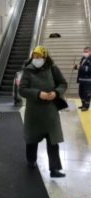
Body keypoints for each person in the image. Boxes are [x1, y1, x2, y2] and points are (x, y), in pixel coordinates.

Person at [19, 45, 68, 178]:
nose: (37, 59)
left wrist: (56, 92)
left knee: (53, 141)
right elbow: (22, 90)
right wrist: (38, 94)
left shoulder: (53, 69)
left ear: (45, 57)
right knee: (31, 139)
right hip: (33, 113)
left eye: (39, 57)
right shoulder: (28, 71)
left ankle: (54, 169)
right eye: (35, 56)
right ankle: (31, 160)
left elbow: (63, 84)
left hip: (50, 112)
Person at [74, 47, 91, 111]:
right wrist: (76, 67)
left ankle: (86, 106)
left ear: (90, 52)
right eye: (84, 51)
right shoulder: (83, 58)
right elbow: (81, 66)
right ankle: (83, 104)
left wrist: (80, 67)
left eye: (86, 51)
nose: (85, 53)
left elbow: (89, 69)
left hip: (88, 80)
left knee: (87, 94)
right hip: (82, 79)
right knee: (81, 93)